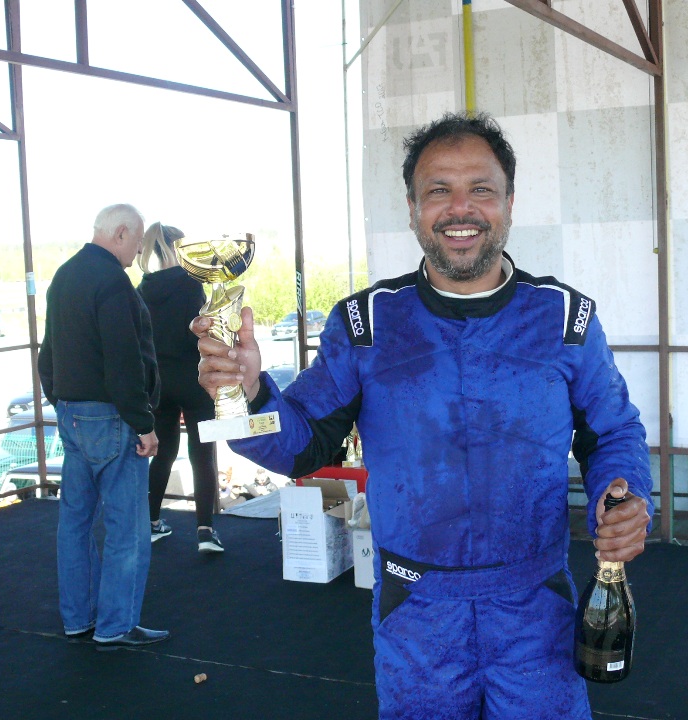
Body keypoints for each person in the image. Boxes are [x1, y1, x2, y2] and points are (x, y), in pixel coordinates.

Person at [192, 112, 652, 718]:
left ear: (510, 203)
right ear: (412, 209)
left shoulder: (565, 320)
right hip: (416, 614)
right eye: (439, 190)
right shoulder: (365, 325)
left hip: (536, 606)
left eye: (481, 189)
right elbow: (300, 446)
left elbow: (614, 431)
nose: (461, 208)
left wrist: (625, 492)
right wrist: (251, 393)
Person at [38, 203, 169, 650]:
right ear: (120, 234)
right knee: (126, 527)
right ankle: (115, 625)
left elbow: (47, 355)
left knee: (74, 524)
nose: (137, 252)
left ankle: (78, 619)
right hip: (112, 418)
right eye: (137, 243)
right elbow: (123, 360)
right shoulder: (112, 282)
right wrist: (143, 423)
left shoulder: (64, 276)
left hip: (71, 414)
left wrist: (61, 400)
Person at [136, 222, 222, 553]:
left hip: (159, 383)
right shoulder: (191, 284)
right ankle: (205, 531)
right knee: (202, 455)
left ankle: (151, 522)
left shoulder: (143, 289)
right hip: (192, 379)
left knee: (163, 452)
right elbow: (199, 332)